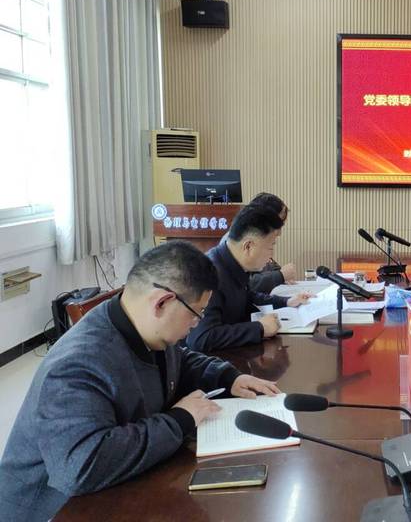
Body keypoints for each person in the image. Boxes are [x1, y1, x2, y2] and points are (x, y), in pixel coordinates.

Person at [0, 241, 281, 522]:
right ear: (162, 302)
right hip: (54, 509)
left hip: (115, 488)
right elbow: (81, 467)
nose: (197, 324)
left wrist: (228, 377)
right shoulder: (77, 364)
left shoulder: (143, 326)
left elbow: (179, 360)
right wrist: (180, 420)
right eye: (197, 313)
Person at [186, 197, 312, 352]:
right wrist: (259, 328)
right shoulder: (209, 275)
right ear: (248, 247)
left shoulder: (233, 263)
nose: (271, 255)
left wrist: (287, 301)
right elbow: (201, 338)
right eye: (270, 247)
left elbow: (248, 297)